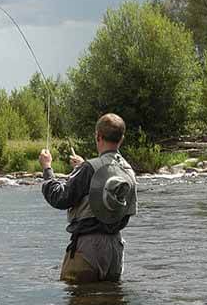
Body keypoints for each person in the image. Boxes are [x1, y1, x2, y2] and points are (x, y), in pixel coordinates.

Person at [40, 113, 138, 283]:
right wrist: (83, 167)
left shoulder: (89, 169)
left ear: (98, 136)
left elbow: (59, 198)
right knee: (111, 303)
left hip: (88, 249)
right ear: (121, 139)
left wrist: (47, 168)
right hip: (115, 250)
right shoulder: (129, 171)